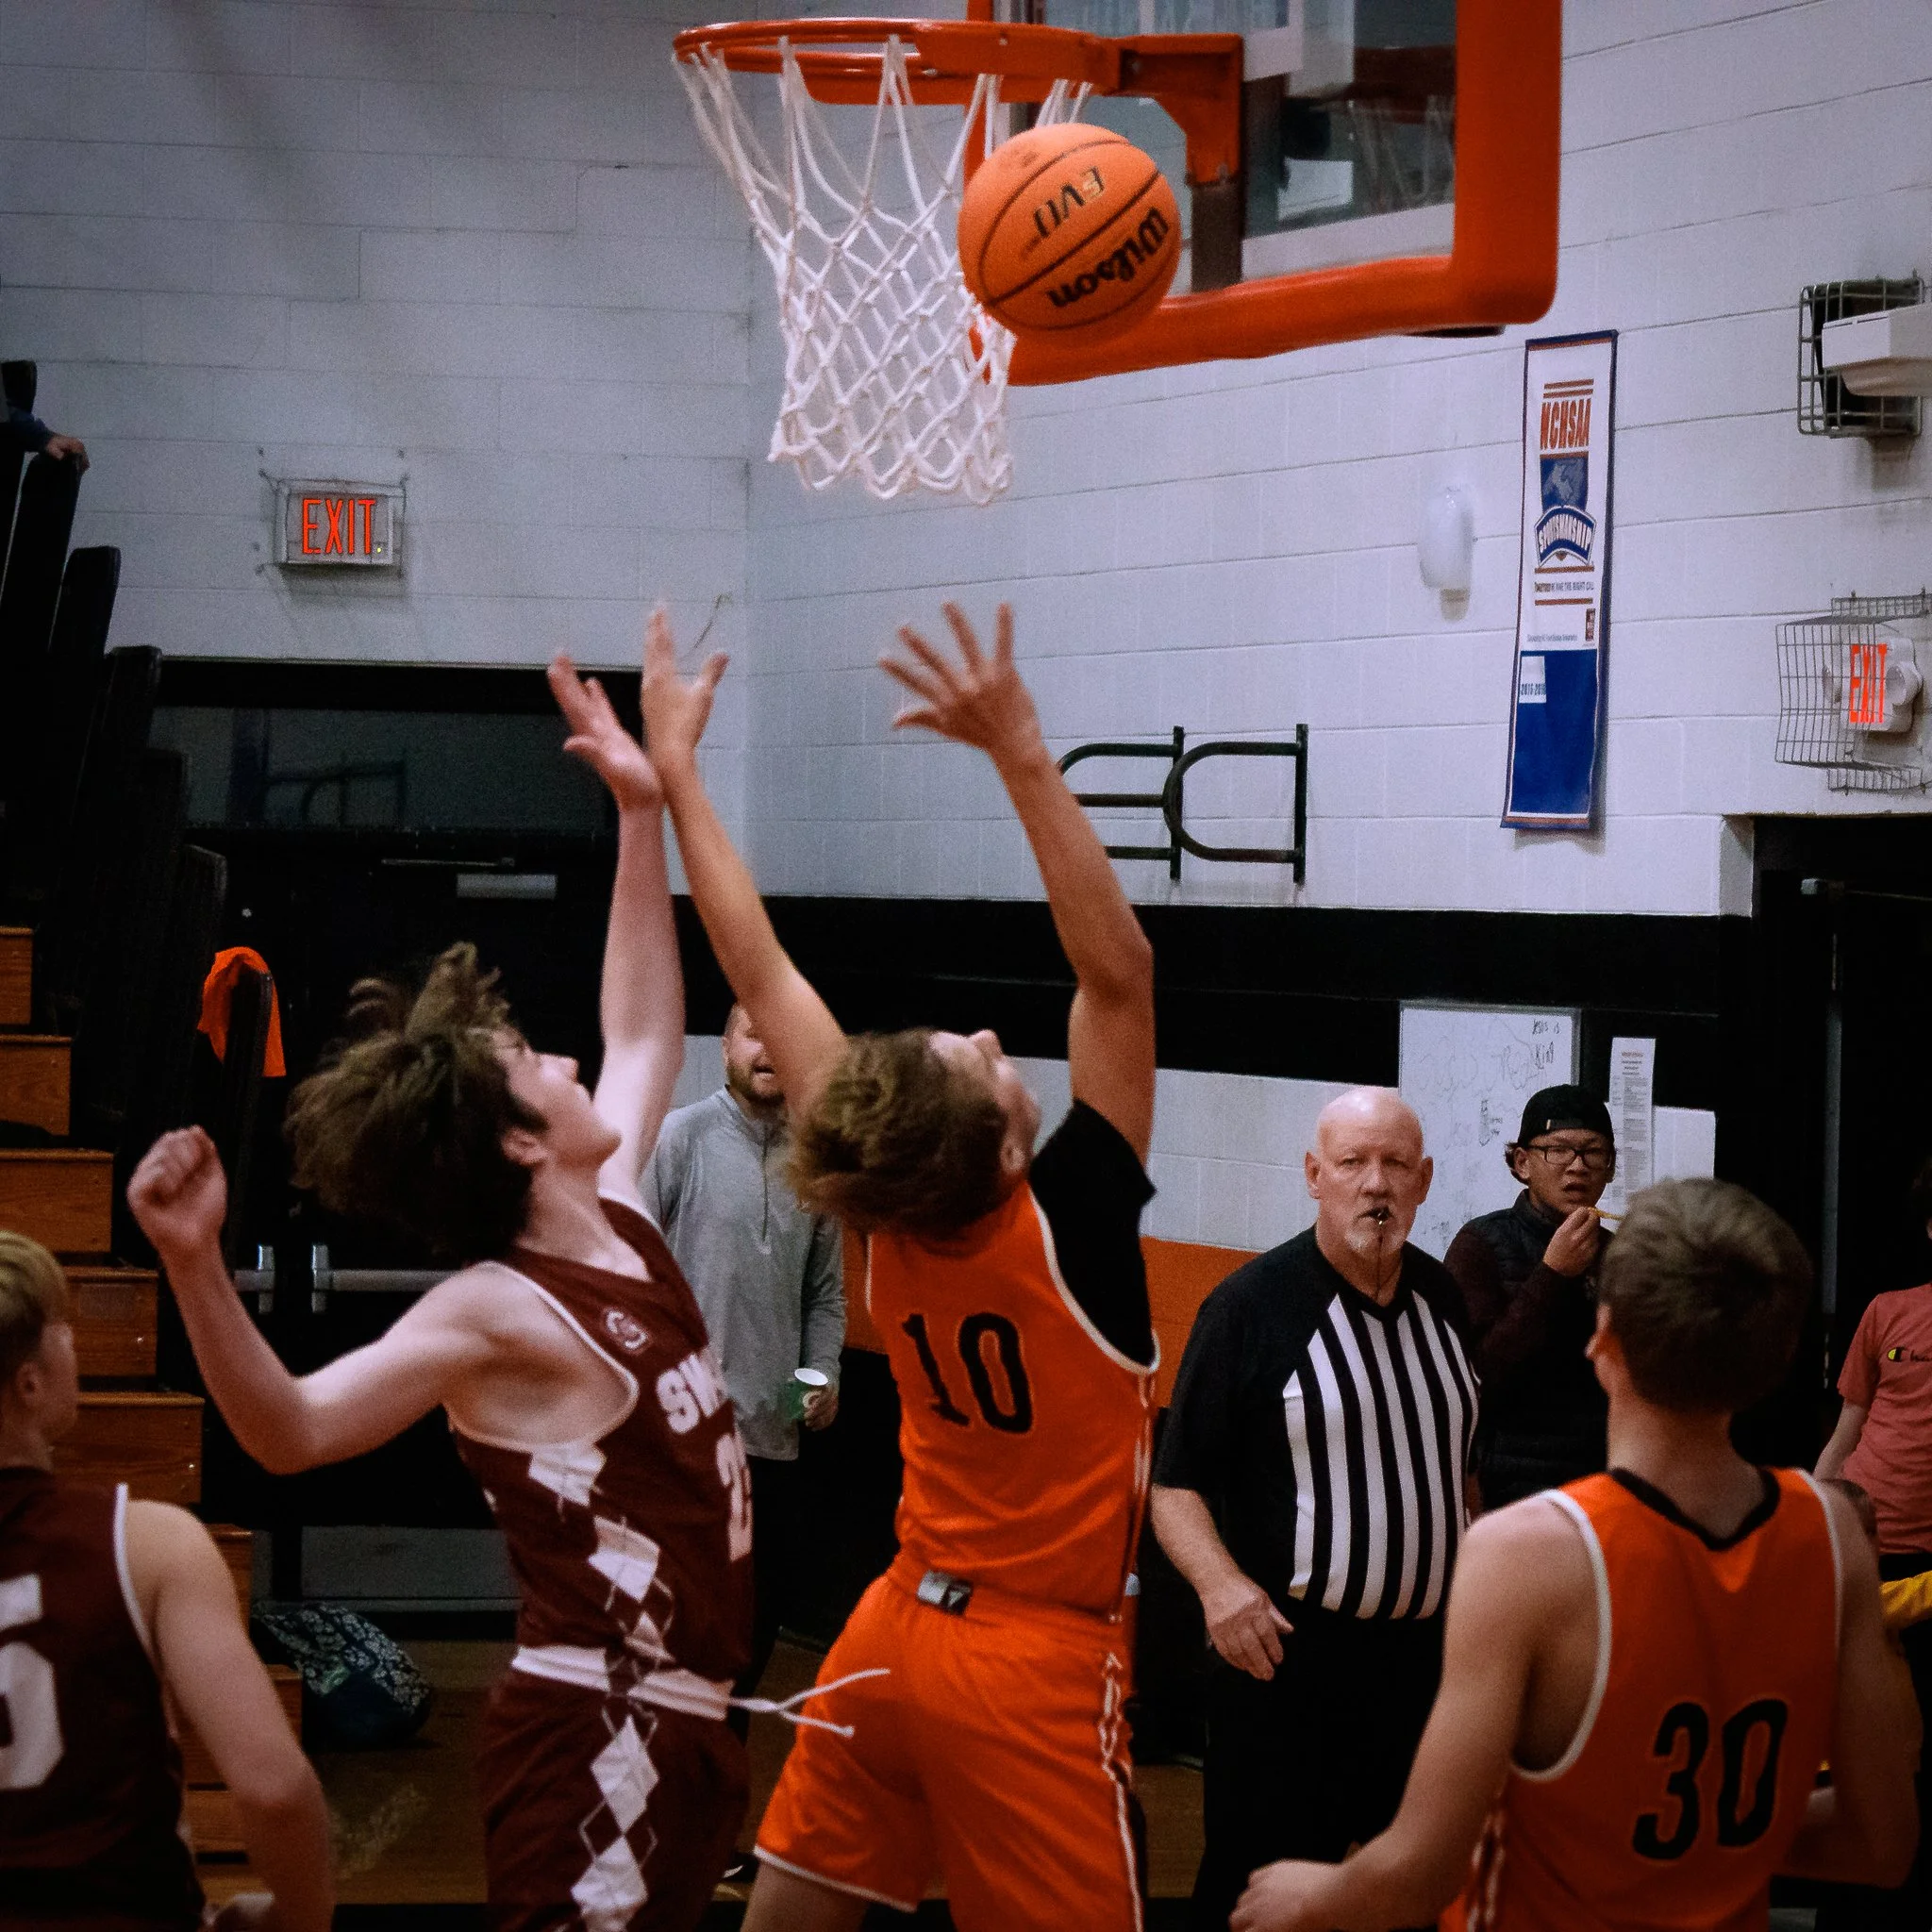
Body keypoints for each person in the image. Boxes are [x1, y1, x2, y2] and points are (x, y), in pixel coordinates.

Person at [126, 618, 753, 1932]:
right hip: (599, 1728)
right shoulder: (499, 1307)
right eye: (537, 1062)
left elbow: (646, 1024)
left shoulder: (618, 1210)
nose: (569, 1061)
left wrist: (644, 815)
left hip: (688, 1725)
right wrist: (193, 1265)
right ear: (523, 1139)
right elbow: (291, 1432)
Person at [637, 601, 1159, 1932]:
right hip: (1034, 1658)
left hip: (889, 1631)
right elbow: (1120, 978)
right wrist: (1023, 756)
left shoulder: (883, 1211)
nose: (990, 1035)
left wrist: (683, 773)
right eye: (975, 1054)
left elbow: (753, 957)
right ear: (997, 1138)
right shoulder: (1070, 1230)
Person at [1232, 1177, 1920, 1932]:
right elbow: (1879, 1844)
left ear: (1603, 1339)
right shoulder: (1833, 1538)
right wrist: (1694, 1839)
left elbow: (1415, 1876)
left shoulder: (1526, 1555)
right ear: (1778, 1354)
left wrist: (1313, 1895)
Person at [1151, 1087, 1477, 1932]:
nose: (1377, 1185)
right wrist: (1221, 1588)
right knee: (1262, 1889)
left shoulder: (1446, 1300)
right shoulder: (1248, 1308)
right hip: (1290, 1663)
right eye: (1353, 1164)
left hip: (1421, 1664)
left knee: (1398, 1885)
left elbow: (1459, 1470)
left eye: (1396, 1165)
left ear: (1426, 1180)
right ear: (1313, 1176)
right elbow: (1172, 1482)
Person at [0, 1229, 331, 1931]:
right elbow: (275, 1790)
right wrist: (297, 1919)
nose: (72, 1338)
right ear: (28, 1383)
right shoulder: (146, 1543)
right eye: (59, 1327)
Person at [644, 1001, 844, 1757]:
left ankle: (701, 1811)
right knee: (685, 1637)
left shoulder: (816, 1159)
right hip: (683, 1445)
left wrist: (813, 1384)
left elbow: (823, 1295)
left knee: (749, 1637)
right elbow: (631, 1271)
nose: (767, 1048)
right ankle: (666, 1810)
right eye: (752, 1031)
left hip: (774, 1444)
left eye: (780, 1033)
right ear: (726, 1044)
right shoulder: (679, 1139)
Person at [1815, 1151, 1932, 1930]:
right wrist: (1812, 1526)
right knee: (1862, 1752)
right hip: (1871, 1555)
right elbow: (1846, 1433)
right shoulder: (1888, 1311)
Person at [1444, 1085, 1614, 1507]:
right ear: (1522, 1163)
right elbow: (1475, 1375)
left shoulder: (1620, 1252)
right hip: (1509, 1478)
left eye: (1593, 1152)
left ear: (1610, 1166)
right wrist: (1552, 1274)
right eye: (1558, 1150)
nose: (1577, 1167)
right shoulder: (1480, 1244)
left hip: (1601, 1472)